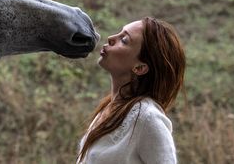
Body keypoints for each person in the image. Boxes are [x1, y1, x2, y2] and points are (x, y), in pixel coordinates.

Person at [77, 17, 186, 164]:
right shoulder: (109, 108)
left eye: (124, 40)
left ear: (140, 68)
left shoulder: (147, 118)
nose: (110, 38)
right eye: (119, 33)